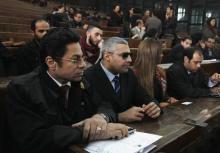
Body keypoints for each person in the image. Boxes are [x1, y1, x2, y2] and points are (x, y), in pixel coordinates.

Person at [4, 28, 129, 153]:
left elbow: (104, 105)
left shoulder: (80, 81)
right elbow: (34, 139)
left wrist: (100, 118)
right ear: (51, 62)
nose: (83, 65)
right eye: (75, 59)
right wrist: (90, 133)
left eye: (83, 58)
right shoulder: (21, 89)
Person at [85, 37, 161, 123]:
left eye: (129, 55)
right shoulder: (88, 77)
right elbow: (89, 115)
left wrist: (154, 106)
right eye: (124, 56)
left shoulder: (128, 74)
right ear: (107, 57)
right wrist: (119, 117)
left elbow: (145, 98)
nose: (130, 60)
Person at [132, 39, 178, 108]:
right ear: (152, 54)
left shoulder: (160, 71)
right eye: (160, 53)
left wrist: (169, 99)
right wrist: (158, 105)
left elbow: (163, 95)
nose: (162, 55)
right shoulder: (133, 74)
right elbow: (135, 102)